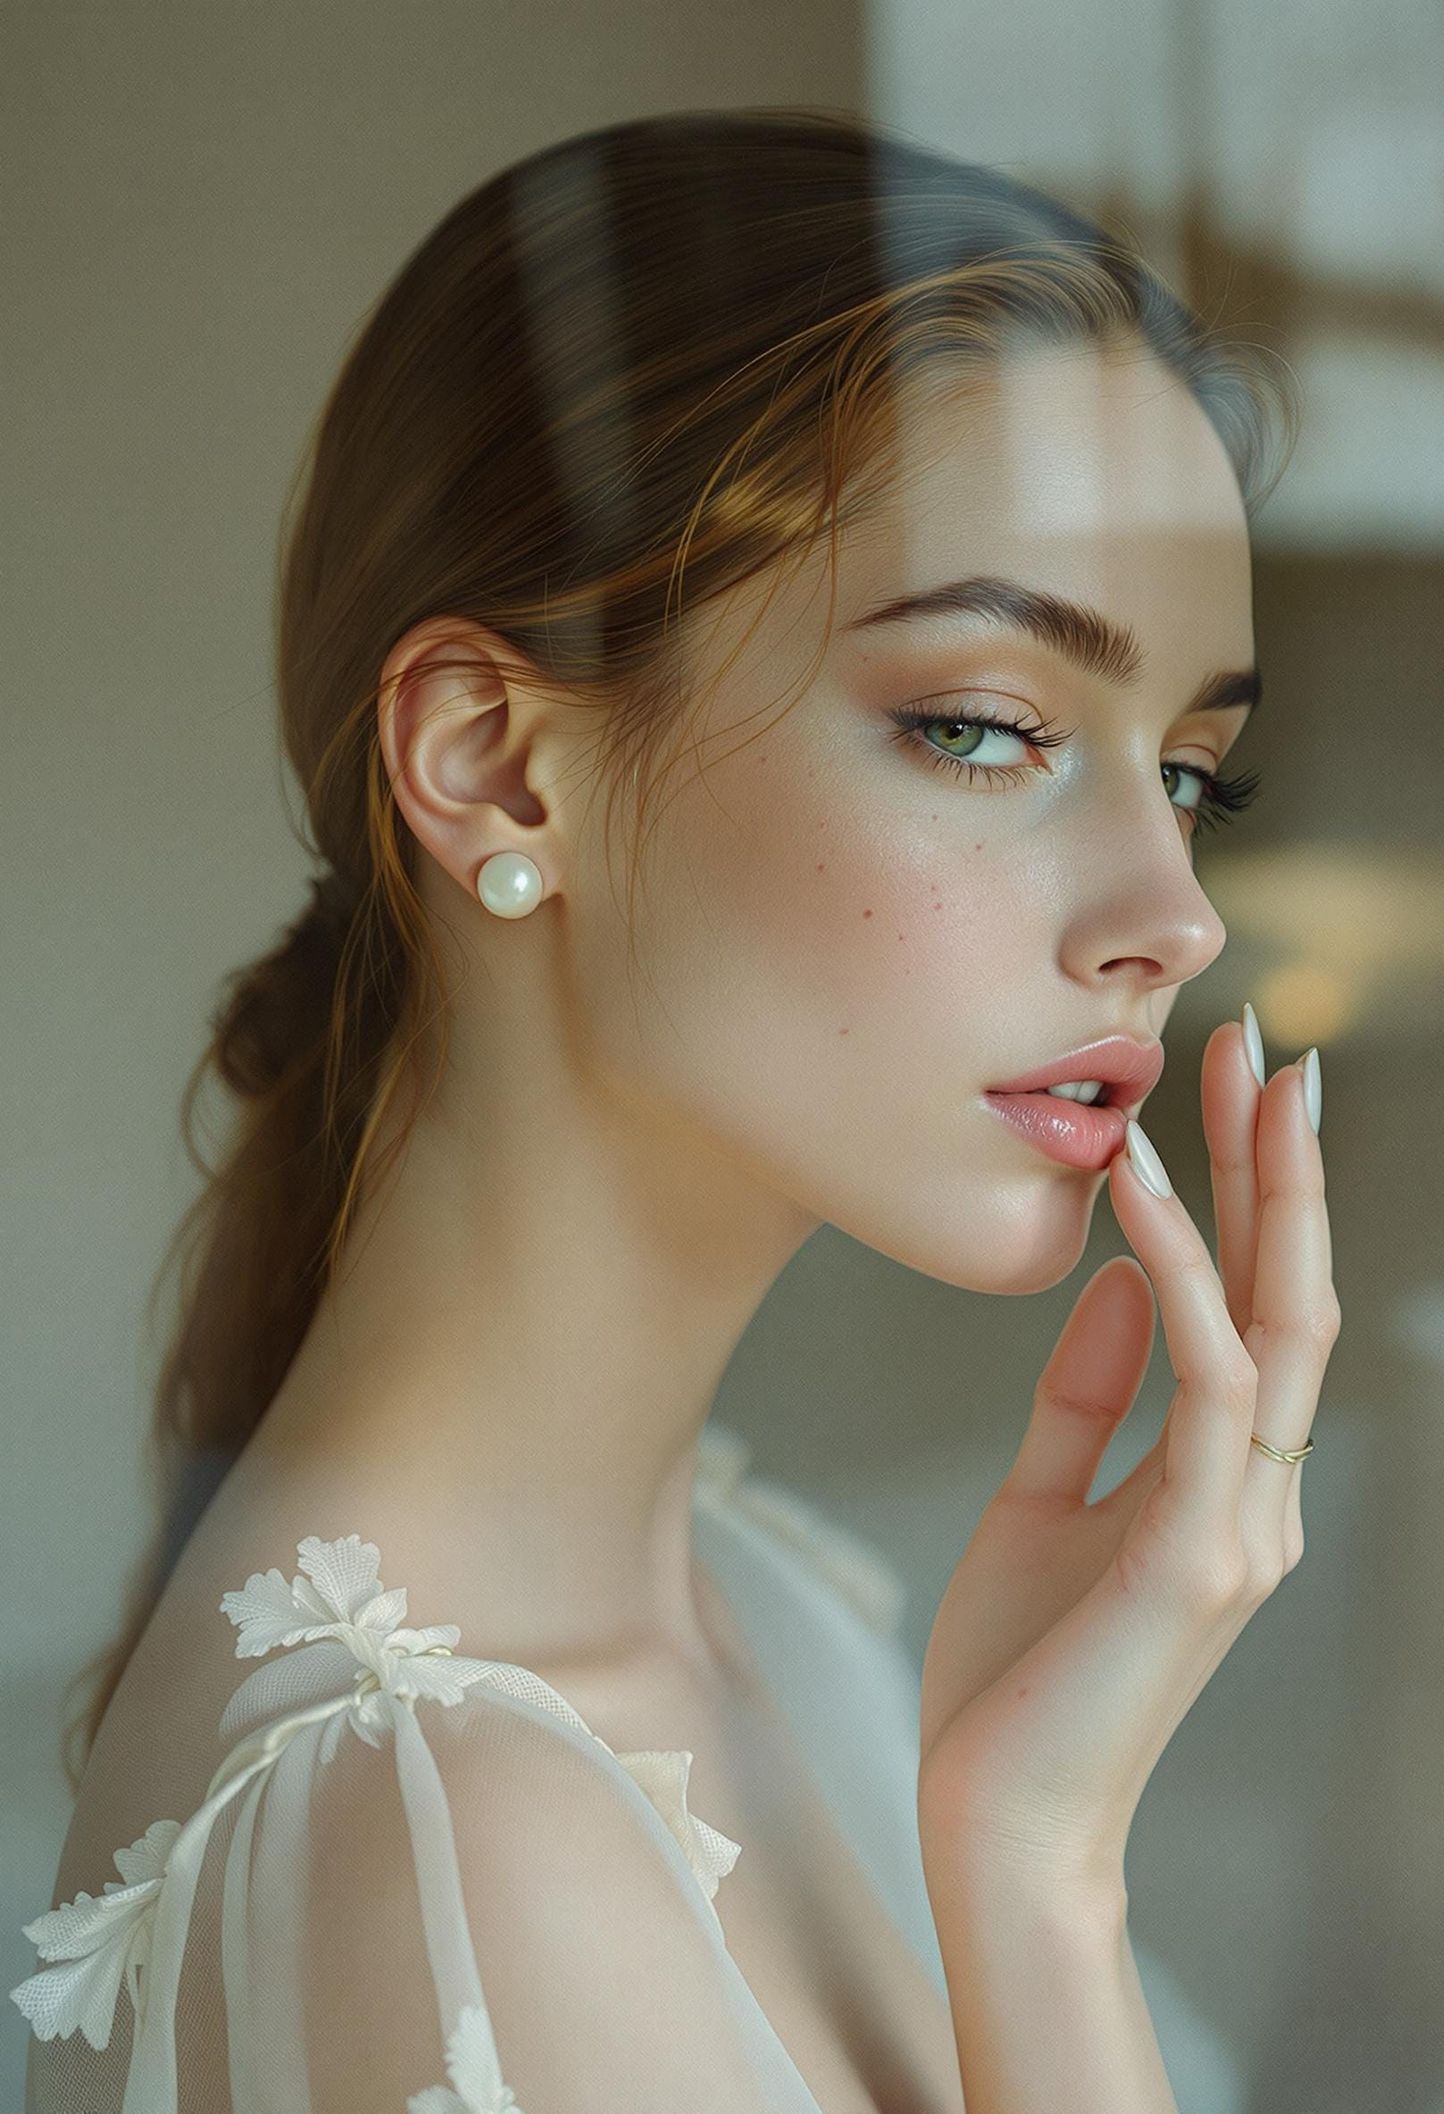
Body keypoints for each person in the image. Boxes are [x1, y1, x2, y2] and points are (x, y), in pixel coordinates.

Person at [11, 107, 1337, 2114]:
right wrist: (1044, 1887)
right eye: (982, 727)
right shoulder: (459, 1845)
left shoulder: (772, 1595)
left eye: (1186, 775)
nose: (1175, 912)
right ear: (493, 763)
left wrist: (1027, 1848)